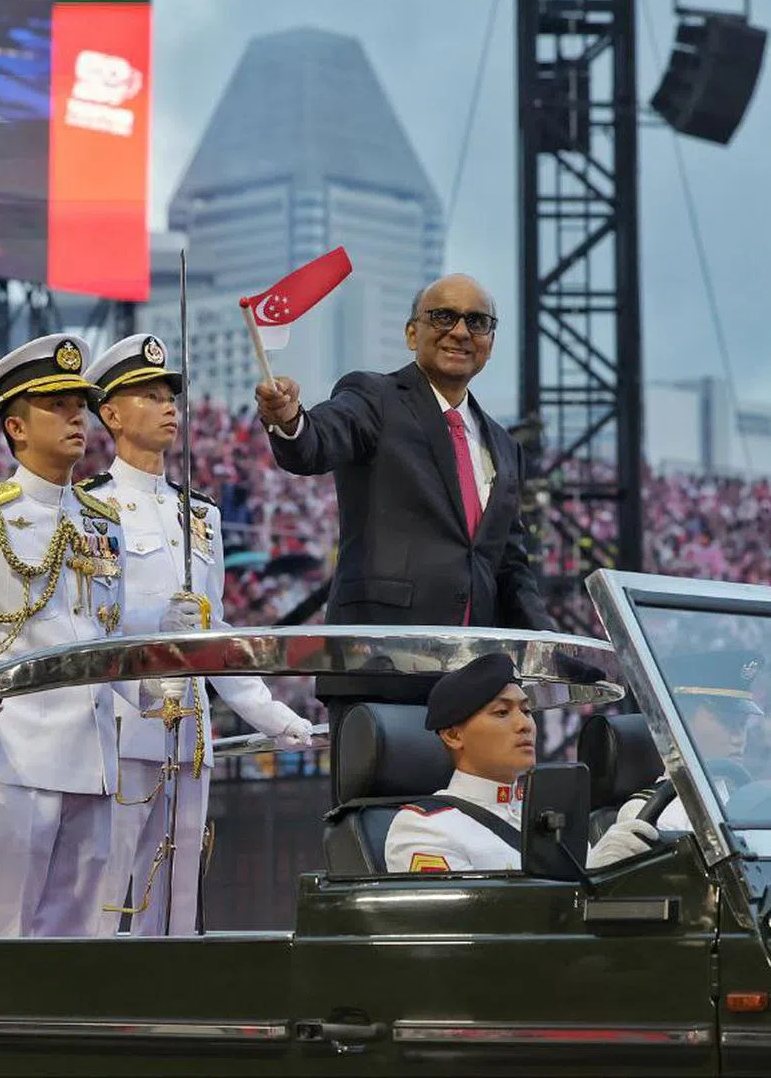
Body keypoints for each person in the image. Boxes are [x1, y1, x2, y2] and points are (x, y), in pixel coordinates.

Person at [255, 273, 598, 800]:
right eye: (444, 317)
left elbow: (509, 565)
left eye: (477, 322)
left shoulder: (504, 446)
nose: (461, 331)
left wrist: (549, 646)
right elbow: (315, 442)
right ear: (413, 333)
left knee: (465, 842)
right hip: (383, 671)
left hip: (472, 689)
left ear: (490, 341)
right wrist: (290, 421)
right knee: (376, 838)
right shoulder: (373, 395)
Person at [0, 334, 202, 938]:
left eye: (79, 405)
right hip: (14, 754)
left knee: (77, 939)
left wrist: (158, 679)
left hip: (96, 756)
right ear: (16, 427)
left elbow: (106, 635)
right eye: (57, 406)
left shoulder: (100, 521)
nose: (76, 417)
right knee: (4, 930)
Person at [83, 334, 315, 936]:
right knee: (107, 890)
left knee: (179, 891)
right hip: (119, 723)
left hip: (188, 728)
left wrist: (266, 711)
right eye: (150, 396)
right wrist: (152, 628)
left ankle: (167, 1012)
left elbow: (214, 631)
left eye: (170, 397)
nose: (168, 408)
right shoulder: (87, 509)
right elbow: (84, 621)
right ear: (109, 413)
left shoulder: (201, 514)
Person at [587, 650, 766, 867]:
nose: (739, 737)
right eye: (726, 721)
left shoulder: (746, 803)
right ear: (678, 723)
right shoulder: (651, 814)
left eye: (743, 724)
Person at [384, 653, 533, 873]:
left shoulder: (548, 814)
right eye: (502, 712)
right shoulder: (425, 828)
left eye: (527, 711)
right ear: (453, 736)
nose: (525, 724)